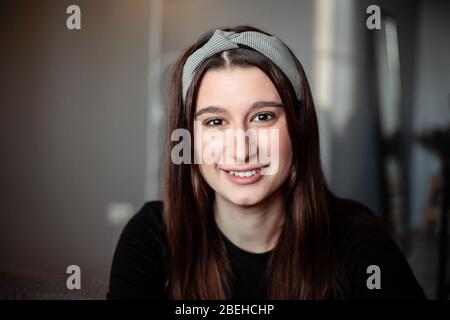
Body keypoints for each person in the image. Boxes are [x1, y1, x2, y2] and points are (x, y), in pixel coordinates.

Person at [107, 25, 426, 300]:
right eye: (215, 122)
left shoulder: (360, 243)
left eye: (263, 117)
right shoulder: (151, 237)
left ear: (299, 128)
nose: (241, 150)